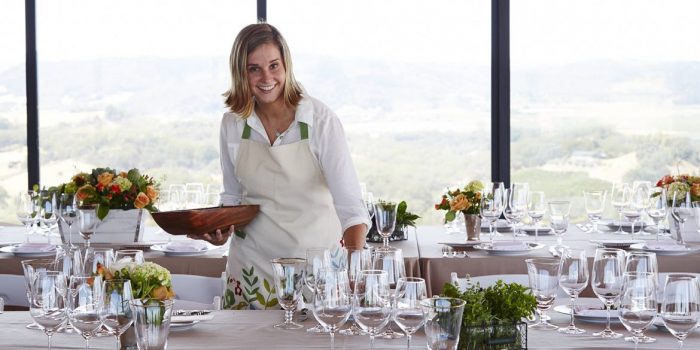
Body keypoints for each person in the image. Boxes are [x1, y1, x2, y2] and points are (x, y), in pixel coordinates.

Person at [188, 23, 370, 310]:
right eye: (254, 69)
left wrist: (353, 269)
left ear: (286, 65)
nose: (266, 77)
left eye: (274, 65)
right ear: (241, 73)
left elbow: (351, 209)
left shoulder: (320, 121)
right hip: (251, 270)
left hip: (316, 272)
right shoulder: (233, 124)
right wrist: (217, 229)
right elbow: (233, 197)